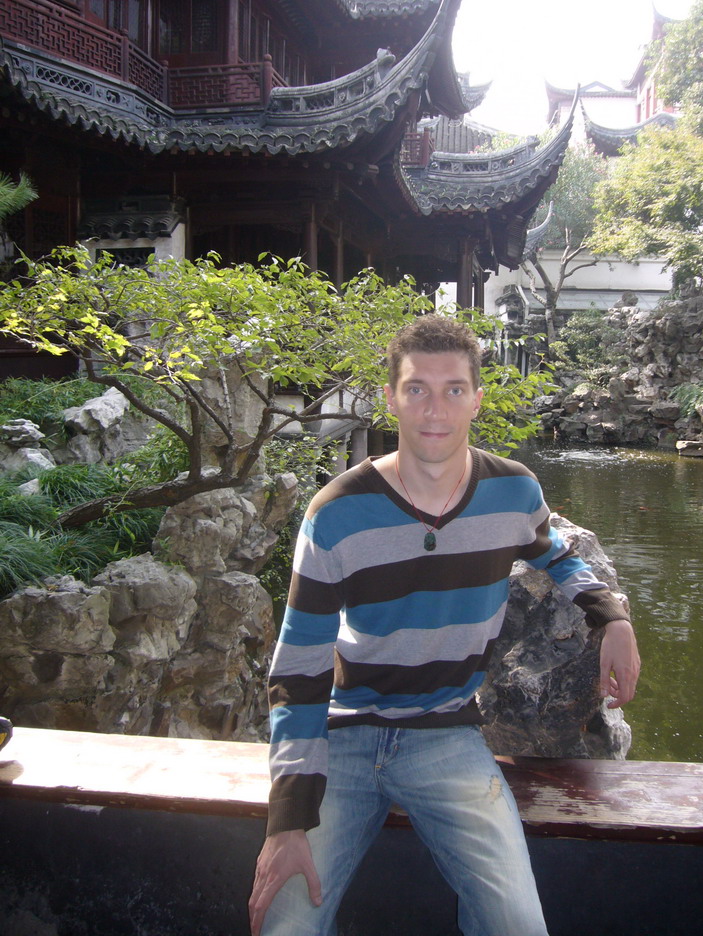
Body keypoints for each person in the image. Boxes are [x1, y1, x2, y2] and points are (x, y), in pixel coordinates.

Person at [249, 314, 640, 936]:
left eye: (454, 389)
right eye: (417, 389)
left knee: (517, 924)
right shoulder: (337, 513)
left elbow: (557, 554)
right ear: (390, 399)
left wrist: (611, 617)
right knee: (285, 922)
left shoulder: (512, 493)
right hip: (342, 737)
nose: (436, 408)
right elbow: (297, 671)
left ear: (477, 400)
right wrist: (288, 820)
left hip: (445, 735)